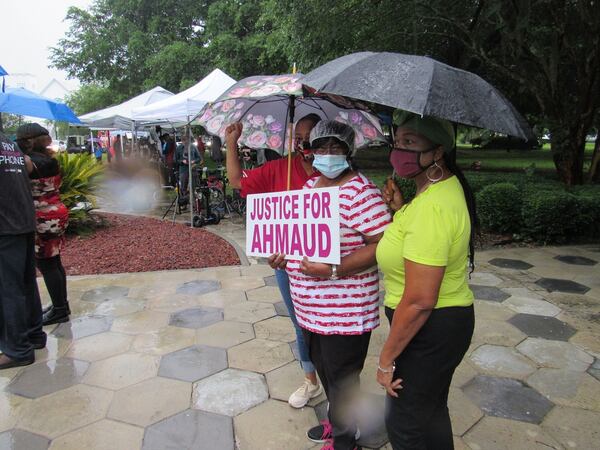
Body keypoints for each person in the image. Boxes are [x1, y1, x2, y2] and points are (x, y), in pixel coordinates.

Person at [269, 120, 391, 450]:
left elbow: (383, 244)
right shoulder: (310, 188)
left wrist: (335, 269)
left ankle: (344, 441)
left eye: (334, 148)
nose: (325, 154)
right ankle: (339, 422)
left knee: (342, 380)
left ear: (348, 151)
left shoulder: (361, 192)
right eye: (319, 147)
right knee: (325, 372)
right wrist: (282, 252)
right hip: (310, 309)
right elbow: (302, 238)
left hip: (346, 314)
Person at [375, 111, 477, 449]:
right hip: (442, 325)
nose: (399, 150)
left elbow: (419, 300)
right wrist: (400, 209)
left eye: (411, 142)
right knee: (429, 414)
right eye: (397, 140)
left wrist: (386, 360)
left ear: (437, 152)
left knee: (407, 425)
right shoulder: (437, 191)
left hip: (428, 328)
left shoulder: (433, 207)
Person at [225, 113, 324, 409]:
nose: (302, 142)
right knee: (300, 323)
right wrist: (231, 143)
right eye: (298, 137)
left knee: (330, 328)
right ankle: (311, 381)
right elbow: (235, 180)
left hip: (330, 269)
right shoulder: (282, 168)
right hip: (288, 268)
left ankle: (338, 385)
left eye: (309, 137)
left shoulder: (337, 174)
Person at [0, 130, 47, 369]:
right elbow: (27, 166)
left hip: (5, 227)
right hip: (23, 221)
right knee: (26, 284)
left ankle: (18, 350)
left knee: (9, 290)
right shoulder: (9, 144)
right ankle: (35, 335)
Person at [16, 123, 71, 326]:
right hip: (57, 212)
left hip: (42, 217)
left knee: (47, 265)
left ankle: (59, 310)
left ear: (27, 141)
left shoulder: (28, 161)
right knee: (54, 262)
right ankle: (61, 305)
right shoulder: (50, 159)